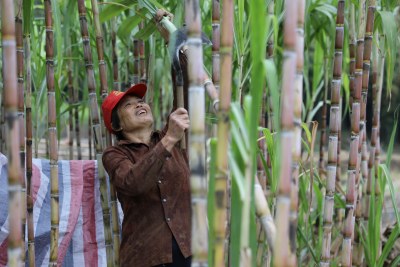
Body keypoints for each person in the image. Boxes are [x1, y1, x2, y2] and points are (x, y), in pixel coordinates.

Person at [101, 83, 192, 267]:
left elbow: (185, 91)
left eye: (141, 101)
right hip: (145, 258)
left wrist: (180, 60)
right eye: (128, 105)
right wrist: (169, 139)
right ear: (116, 125)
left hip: (189, 254)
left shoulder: (172, 137)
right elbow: (132, 182)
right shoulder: (114, 155)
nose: (139, 105)